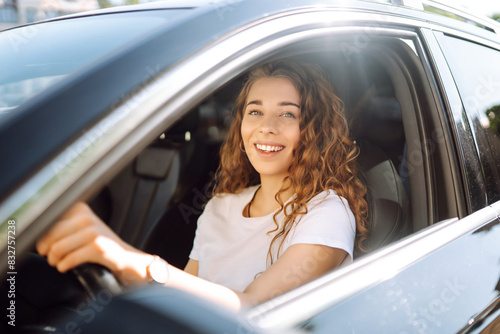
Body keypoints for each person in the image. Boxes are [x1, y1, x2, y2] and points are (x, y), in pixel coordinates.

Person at [36, 59, 368, 311]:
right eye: (255, 112)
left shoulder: (327, 212)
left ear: (314, 130)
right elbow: (184, 301)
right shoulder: (221, 205)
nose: (266, 127)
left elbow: (252, 308)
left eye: (287, 115)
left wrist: (132, 261)